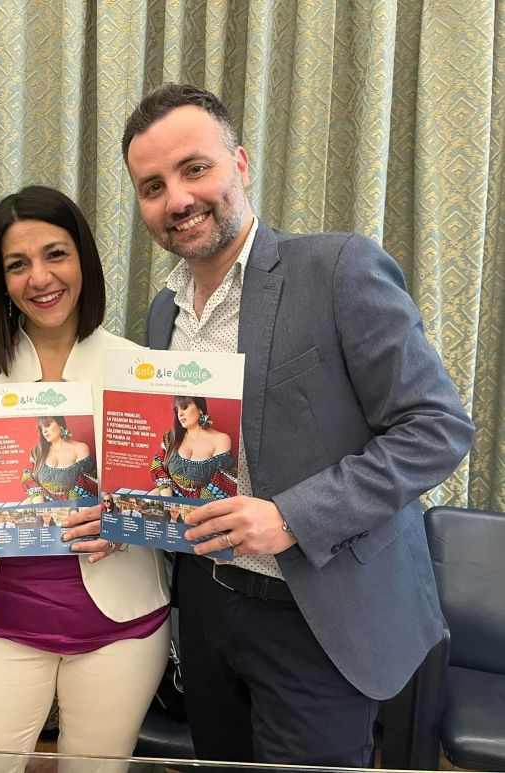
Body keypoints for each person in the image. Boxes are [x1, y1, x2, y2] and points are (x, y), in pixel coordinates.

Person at [123, 83, 474, 766]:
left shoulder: (338, 269)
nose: (178, 199)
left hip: (317, 615)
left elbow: (437, 427)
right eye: (153, 186)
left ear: (240, 163)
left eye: (195, 168)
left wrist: (291, 516)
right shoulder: (164, 314)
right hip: (206, 611)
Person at [0, 185, 170, 761]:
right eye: (18, 264)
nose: (39, 278)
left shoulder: (140, 370)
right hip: (2, 620)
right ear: (1, 280)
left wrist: (126, 520)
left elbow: (170, 500)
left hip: (121, 627)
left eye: (55, 254)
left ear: (83, 258)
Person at [149, 395, 236, 499]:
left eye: (184, 407)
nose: (180, 414)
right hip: (171, 497)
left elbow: (221, 485)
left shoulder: (221, 440)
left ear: (200, 409)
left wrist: (186, 506)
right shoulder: (172, 437)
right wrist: (167, 498)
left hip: (203, 504)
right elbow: (158, 465)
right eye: (177, 410)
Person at [21, 415, 97, 502]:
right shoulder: (39, 451)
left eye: (47, 425)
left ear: (60, 424)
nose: (44, 431)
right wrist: (39, 500)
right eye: (41, 428)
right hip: (41, 503)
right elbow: (27, 476)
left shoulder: (80, 448)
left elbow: (85, 484)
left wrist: (64, 507)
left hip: (71, 504)